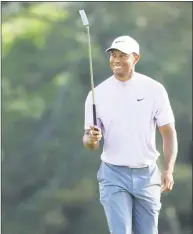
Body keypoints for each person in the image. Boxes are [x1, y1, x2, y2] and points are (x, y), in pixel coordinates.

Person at [82, 35, 178, 234]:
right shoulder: (96, 94)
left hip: (148, 174)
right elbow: (89, 143)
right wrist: (91, 139)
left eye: (122, 55)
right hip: (113, 174)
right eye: (113, 55)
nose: (116, 60)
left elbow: (168, 133)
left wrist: (168, 170)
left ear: (136, 58)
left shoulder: (154, 90)